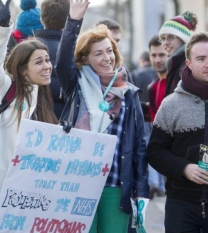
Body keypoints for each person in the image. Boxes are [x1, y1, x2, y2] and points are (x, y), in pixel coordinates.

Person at [56, 1, 149, 232]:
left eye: (109, 50)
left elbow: (139, 145)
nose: (107, 57)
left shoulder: (129, 92)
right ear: (85, 59)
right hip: (78, 183)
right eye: (98, 53)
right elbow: (61, 61)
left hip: (115, 186)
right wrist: (73, 21)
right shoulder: (75, 85)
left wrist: (141, 191)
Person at [0, 0, 58, 232]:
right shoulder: (4, 89)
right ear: (22, 69)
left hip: (29, 202)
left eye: (47, 60)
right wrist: (2, 25)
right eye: (38, 62)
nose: (47, 66)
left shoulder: (43, 98)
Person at [147, 31, 208, 233]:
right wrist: (184, 168)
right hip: (181, 205)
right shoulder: (171, 104)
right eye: (201, 59)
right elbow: (155, 151)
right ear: (188, 63)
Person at [34, 0, 69, 119]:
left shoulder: (29, 48)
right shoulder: (74, 50)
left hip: (34, 116)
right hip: (65, 118)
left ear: (41, 19)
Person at [146, 36, 168, 199]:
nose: (158, 60)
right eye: (154, 55)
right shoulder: (152, 86)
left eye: (161, 55)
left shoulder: (177, 82)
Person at [158, 11, 198, 96]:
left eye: (171, 37)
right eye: (163, 38)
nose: (165, 42)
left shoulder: (186, 67)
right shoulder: (176, 64)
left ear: (184, 39)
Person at [96, 19, 134, 84]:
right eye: (111, 40)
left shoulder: (122, 69)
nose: (115, 44)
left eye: (117, 40)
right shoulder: (87, 70)